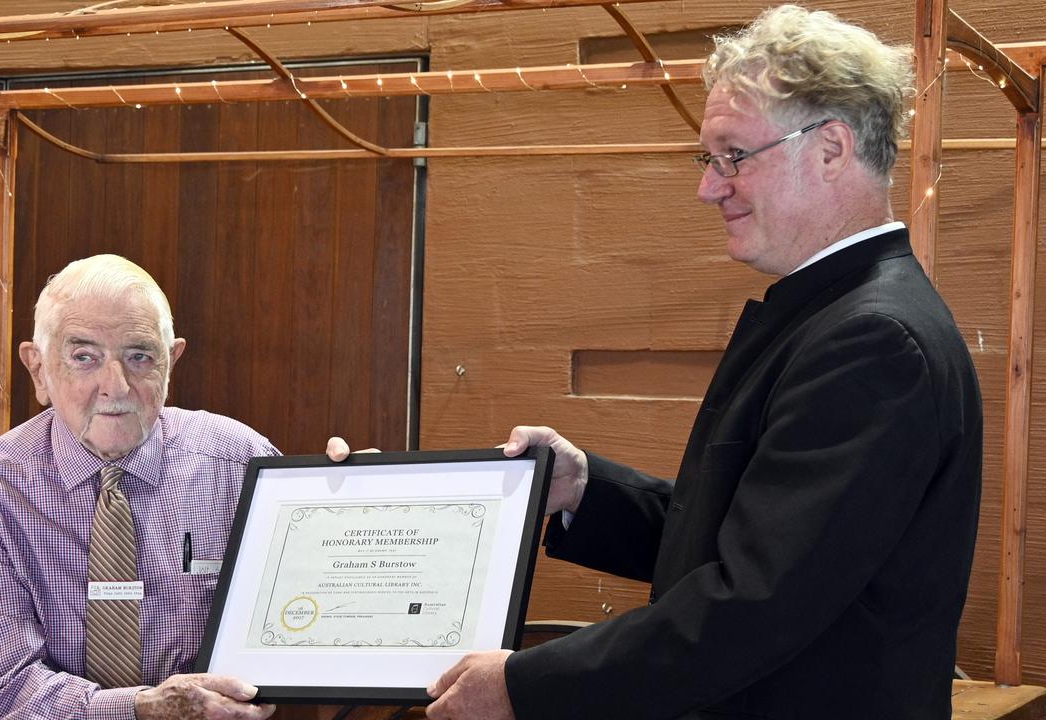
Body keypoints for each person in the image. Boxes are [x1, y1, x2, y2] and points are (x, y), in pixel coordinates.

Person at [331, 6, 982, 719]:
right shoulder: (837, 313)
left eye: (733, 155)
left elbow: (753, 602)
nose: (710, 186)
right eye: (711, 159)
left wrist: (525, 686)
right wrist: (587, 489)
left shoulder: (873, 340)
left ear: (830, 148)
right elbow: (743, 536)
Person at [0, 254, 277, 720]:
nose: (115, 386)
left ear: (170, 363)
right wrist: (141, 710)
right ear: (38, 370)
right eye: (84, 357)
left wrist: (358, 494)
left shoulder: (240, 463)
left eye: (139, 356)